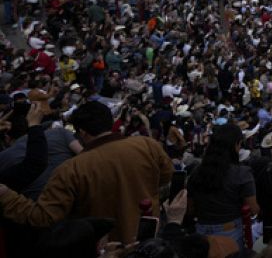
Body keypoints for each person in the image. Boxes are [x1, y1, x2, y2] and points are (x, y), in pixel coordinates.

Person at [0, 100, 171, 243]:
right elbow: (166, 177)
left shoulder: (72, 169)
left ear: (81, 131)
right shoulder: (148, 145)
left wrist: (7, 195)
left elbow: (44, 217)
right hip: (148, 241)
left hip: (104, 247)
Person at [187, 122, 259, 254]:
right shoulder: (242, 173)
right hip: (230, 231)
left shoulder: (196, 172)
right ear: (236, 145)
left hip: (201, 231)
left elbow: (190, 209)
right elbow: (253, 209)